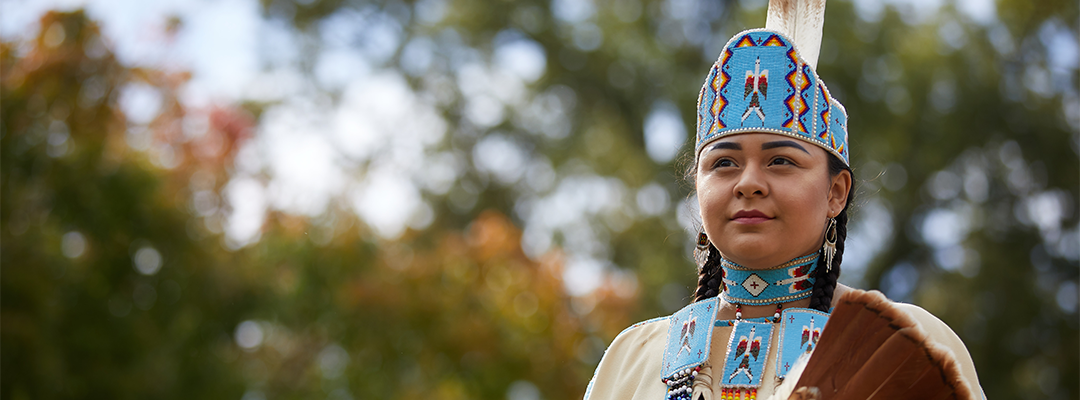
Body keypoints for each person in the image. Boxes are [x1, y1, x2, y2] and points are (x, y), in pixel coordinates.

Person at [581, 26, 984, 400]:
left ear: (836, 192)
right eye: (724, 164)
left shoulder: (900, 343)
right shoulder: (631, 359)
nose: (748, 183)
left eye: (781, 161)